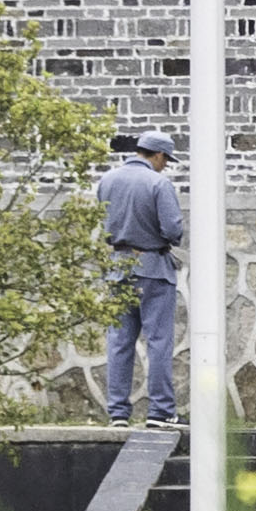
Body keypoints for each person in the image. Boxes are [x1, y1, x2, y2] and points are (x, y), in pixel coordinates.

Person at [95, 121, 184, 428]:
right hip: (153, 268)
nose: (165, 166)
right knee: (158, 341)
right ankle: (161, 411)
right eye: (166, 160)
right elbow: (173, 230)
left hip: (118, 266)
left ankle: (118, 413)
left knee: (119, 341)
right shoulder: (158, 184)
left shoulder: (107, 180)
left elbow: (102, 222)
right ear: (157, 155)